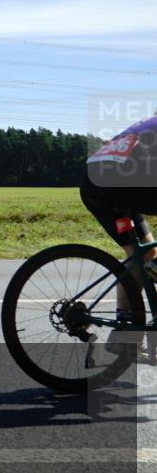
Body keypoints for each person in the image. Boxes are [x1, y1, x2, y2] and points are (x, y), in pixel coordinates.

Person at [79, 113, 157, 322]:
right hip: (108, 185)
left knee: (145, 253)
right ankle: (125, 335)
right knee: (143, 258)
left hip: (107, 182)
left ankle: (125, 329)